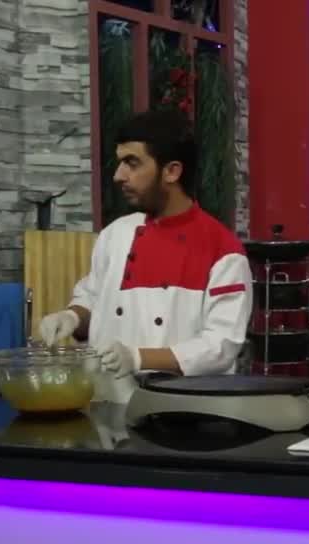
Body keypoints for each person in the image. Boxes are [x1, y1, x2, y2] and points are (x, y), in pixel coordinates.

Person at [38, 110, 251, 379]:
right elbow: (93, 298)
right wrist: (72, 317)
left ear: (172, 171)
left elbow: (221, 346)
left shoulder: (222, 250)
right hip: (106, 394)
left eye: (132, 163)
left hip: (180, 401)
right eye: (120, 163)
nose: (118, 175)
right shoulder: (115, 234)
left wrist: (139, 358)